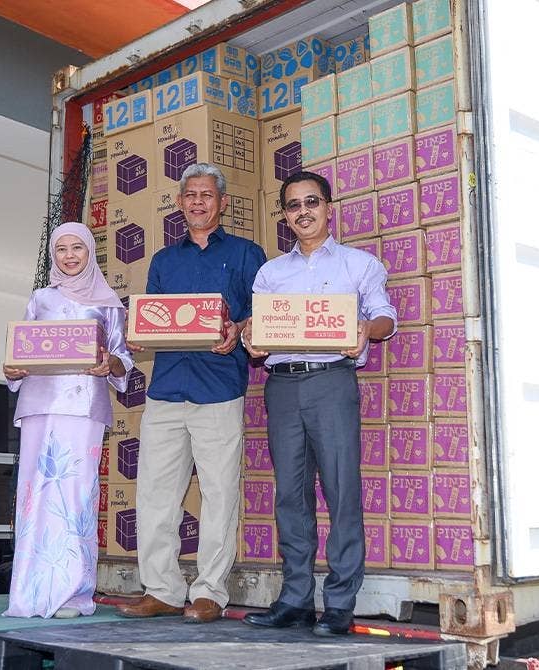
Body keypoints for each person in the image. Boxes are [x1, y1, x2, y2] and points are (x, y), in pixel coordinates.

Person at [241, 171, 396, 636]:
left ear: (329, 207)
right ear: (285, 215)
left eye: (312, 202)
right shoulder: (271, 272)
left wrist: (365, 330)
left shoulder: (358, 265)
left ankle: (341, 603)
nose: (303, 211)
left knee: (341, 490)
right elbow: (261, 330)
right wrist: (253, 339)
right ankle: (294, 599)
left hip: (332, 383)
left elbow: (386, 316)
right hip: (282, 387)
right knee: (290, 494)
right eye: (293, 205)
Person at [115, 163, 266, 623]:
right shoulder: (164, 260)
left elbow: (262, 315)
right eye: (190, 195)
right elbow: (153, 318)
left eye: (207, 195)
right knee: (155, 494)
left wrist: (237, 329)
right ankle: (161, 588)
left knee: (219, 494)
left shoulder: (246, 253)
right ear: (179, 203)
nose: (198, 202)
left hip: (219, 388)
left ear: (222, 203)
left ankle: (209, 593)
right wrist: (137, 335)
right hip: (165, 389)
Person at [2, 221, 133, 619]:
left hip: (82, 407)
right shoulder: (40, 299)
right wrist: (12, 370)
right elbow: (21, 349)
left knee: (75, 497)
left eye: (78, 248)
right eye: (62, 249)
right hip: (40, 403)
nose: (70, 256)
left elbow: (122, 357)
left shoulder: (108, 302)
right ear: (54, 255)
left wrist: (108, 363)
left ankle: (72, 593)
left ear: (90, 253)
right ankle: (29, 590)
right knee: (34, 496)